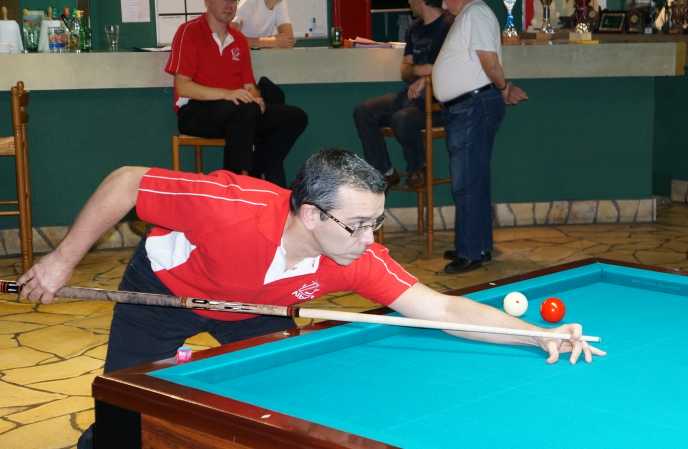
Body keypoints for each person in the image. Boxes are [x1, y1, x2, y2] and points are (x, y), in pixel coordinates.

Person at [19, 149, 602, 449]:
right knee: (124, 416)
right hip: (164, 291)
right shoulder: (233, 207)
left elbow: (443, 309)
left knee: (278, 409)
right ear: (310, 213)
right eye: (357, 224)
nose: (370, 240)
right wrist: (60, 260)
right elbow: (127, 181)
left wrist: (534, 335)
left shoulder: (355, 256)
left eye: (377, 222)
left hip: (255, 310)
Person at [166, 0, 307, 187]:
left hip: (237, 111)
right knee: (244, 110)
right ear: (207, 2)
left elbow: (248, 85)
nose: (229, 5)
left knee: (294, 117)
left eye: (233, 0)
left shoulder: (239, 40)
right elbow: (183, 87)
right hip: (195, 111)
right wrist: (227, 94)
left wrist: (257, 97)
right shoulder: (189, 31)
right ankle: (233, 186)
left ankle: (255, 170)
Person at [432, 0, 528, 274]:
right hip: (467, 107)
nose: (442, 4)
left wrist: (504, 88)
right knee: (474, 180)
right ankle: (478, 246)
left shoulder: (476, 12)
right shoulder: (469, 15)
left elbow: (489, 61)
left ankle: (470, 252)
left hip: (472, 106)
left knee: (467, 182)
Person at [353, 0, 453, 189]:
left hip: (439, 104)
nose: (408, 3)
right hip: (411, 97)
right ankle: (384, 172)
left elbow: (454, 64)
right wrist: (422, 70)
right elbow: (405, 71)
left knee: (402, 118)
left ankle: (418, 169)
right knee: (363, 111)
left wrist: (429, 77)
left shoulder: (449, 25)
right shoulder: (414, 28)